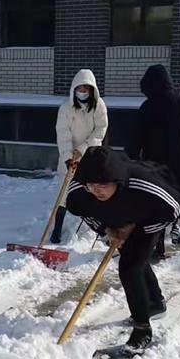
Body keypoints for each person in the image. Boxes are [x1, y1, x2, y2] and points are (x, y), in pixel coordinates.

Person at [66, 146, 180, 355]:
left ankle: (142, 330)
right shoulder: (80, 193)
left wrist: (137, 230)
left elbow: (174, 210)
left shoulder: (144, 186)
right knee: (136, 260)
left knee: (130, 266)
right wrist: (107, 230)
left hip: (148, 220)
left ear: (115, 180)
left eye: (102, 185)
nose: (96, 191)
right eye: (90, 185)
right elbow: (84, 212)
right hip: (116, 220)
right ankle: (155, 302)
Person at [126, 64, 180, 258]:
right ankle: (177, 221)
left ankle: (158, 246)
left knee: (159, 200)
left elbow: (135, 136)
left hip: (158, 163)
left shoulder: (149, 106)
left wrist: (131, 159)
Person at [50, 69, 108, 244]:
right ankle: (57, 229)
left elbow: (100, 130)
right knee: (64, 194)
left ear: (92, 90)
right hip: (69, 158)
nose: (82, 91)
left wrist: (83, 149)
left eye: (86, 88)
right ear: (74, 88)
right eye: (79, 88)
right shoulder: (66, 108)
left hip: (90, 155)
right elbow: (63, 134)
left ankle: (101, 228)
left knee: (94, 191)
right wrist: (68, 157)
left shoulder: (99, 106)